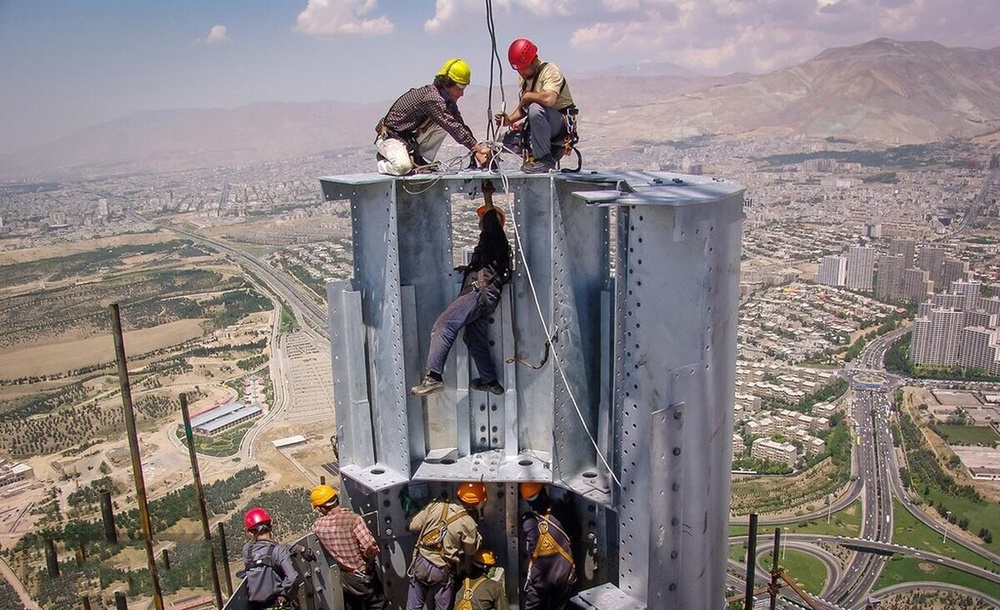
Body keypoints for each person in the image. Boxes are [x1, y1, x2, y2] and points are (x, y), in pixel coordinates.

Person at [411, 180, 511, 397]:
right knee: (473, 338)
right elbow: (489, 267)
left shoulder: (495, 236)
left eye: (484, 218)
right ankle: (490, 381)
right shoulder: (490, 246)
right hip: (485, 297)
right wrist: (469, 269)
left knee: (444, 325)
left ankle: (434, 377)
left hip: (478, 294)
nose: (481, 222)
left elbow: (492, 222)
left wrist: (487, 196)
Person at [376, 58, 493, 176]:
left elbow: (459, 125)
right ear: (447, 83)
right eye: (459, 89)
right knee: (403, 168)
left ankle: (418, 159)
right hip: (390, 137)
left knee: (446, 121)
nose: (461, 94)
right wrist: (478, 148)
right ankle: (384, 162)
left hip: (408, 139)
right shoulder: (432, 98)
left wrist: (477, 152)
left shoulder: (446, 101)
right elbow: (451, 125)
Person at [494, 38, 575, 174]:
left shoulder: (550, 71)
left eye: (523, 69)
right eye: (518, 70)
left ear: (534, 61)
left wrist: (528, 96)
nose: (521, 74)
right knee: (504, 140)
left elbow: (549, 99)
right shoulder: (525, 79)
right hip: (540, 125)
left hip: (559, 126)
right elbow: (524, 108)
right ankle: (533, 159)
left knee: (535, 108)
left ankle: (544, 160)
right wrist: (509, 120)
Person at [406, 482, 487, 610]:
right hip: (442, 567)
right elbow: (470, 551)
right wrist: (467, 570)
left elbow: (412, 526)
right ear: (476, 503)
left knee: (413, 607)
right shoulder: (468, 523)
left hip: (421, 562)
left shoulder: (437, 504)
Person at [310, 484, 387, 610]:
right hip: (363, 575)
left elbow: (318, 526)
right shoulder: (354, 520)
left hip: (346, 578)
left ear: (322, 509)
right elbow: (370, 548)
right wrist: (369, 561)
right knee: (378, 604)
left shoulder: (318, 527)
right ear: (336, 499)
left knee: (352, 605)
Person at [519, 483, 578, 610]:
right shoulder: (559, 510)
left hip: (539, 578)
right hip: (563, 574)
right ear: (543, 492)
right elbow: (575, 531)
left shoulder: (527, 521)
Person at [242, 507, 299, 609]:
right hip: (277, 604)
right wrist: (284, 594)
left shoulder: (247, 550)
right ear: (271, 527)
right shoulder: (279, 551)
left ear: (250, 533)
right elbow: (292, 578)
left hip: (255, 607)